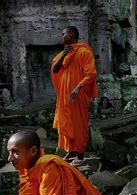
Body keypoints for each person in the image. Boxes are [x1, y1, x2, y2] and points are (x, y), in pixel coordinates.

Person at [51, 26, 98, 166]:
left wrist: (78, 87)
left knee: (78, 124)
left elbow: (91, 73)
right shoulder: (62, 54)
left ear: (72, 35)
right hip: (65, 96)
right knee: (66, 122)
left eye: (64, 34)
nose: (62, 36)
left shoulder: (83, 52)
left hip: (78, 95)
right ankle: (71, 151)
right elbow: (55, 69)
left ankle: (80, 154)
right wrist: (64, 54)